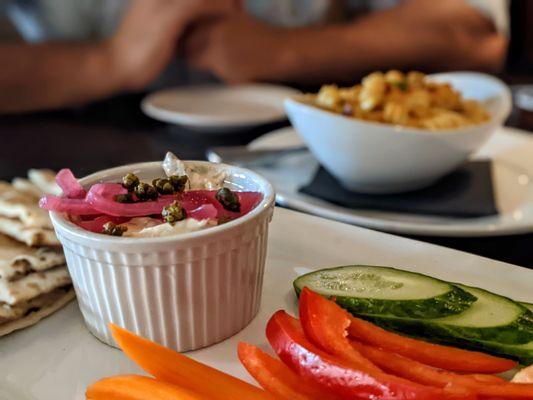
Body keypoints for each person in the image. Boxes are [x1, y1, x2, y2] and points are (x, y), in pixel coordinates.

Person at [0, 0, 509, 114]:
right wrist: (106, 62)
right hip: (61, 144)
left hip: (316, 143)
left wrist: (285, 48)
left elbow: (476, 29)